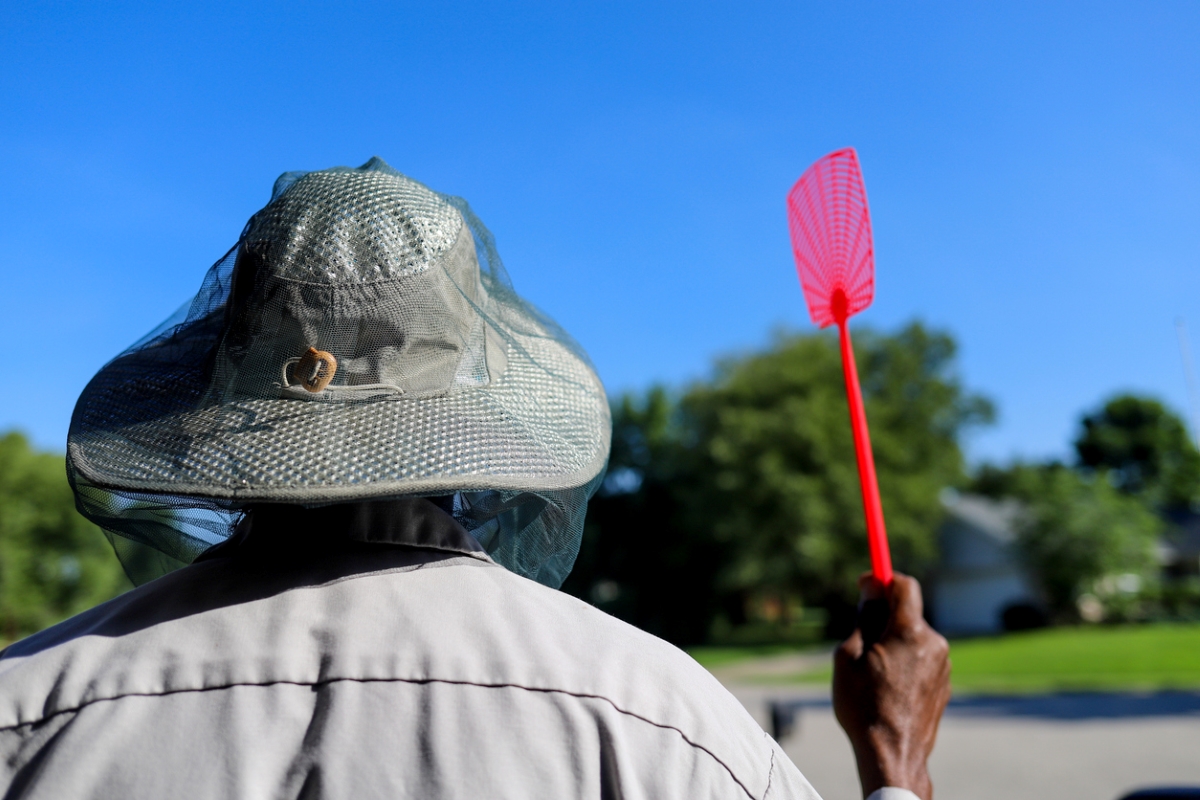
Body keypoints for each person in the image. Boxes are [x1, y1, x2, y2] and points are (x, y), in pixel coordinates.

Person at [0, 158, 950, 799]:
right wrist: (892, 765)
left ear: (226, 375)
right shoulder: (655, 716)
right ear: (472, 389)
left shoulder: (27, 708)